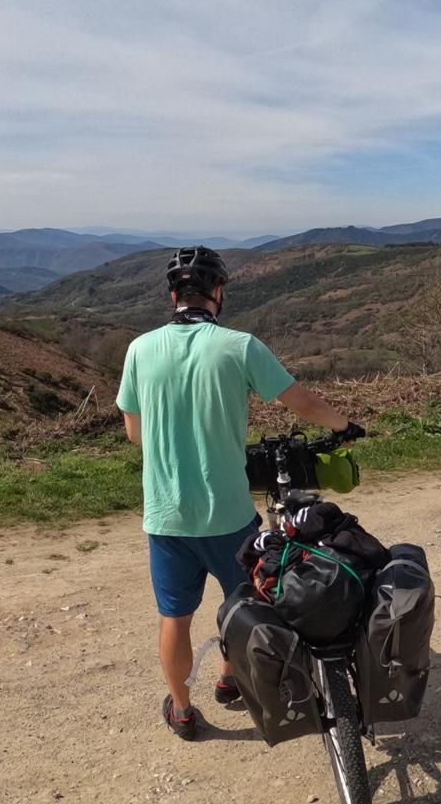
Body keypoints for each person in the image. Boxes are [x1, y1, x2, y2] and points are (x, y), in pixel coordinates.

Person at [116, 245, 359, 740]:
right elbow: (299, 400)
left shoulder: (139, 349)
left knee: (174, 618)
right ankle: (230, 681)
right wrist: (345, 425)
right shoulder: (239, 345)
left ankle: (182, 710)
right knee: (244, 602)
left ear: (172, 295)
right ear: (218, 291)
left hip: (166, 516)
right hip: (228, 512)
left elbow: (134, 434)